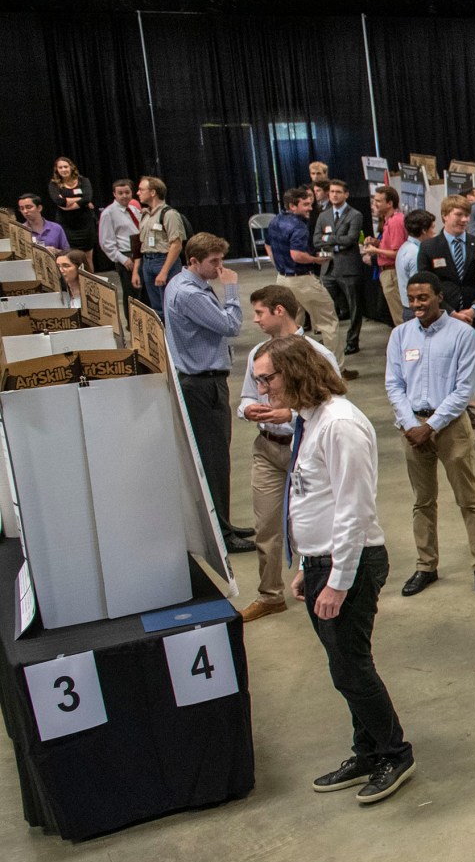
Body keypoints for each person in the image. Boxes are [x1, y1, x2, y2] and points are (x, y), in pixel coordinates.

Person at [261, 335, 415, 804]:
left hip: (348, 563)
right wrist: (307, 562)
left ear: (296, 372)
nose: (263, 388)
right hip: (321, 561)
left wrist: (337, 580)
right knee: (341, 664)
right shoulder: (311, 420)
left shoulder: (341, 426)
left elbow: (353, 510)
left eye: (269, 378)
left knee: (351, 667)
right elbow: (313, 497)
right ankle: (366, 750)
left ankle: (395, 752)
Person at [385, 276, 475, 598]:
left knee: (468, 498)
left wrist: (430, 426)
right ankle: (426, 565)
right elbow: (394, 384)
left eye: (423, 298)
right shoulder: (400, 335)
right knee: (422, 501)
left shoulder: (462, 334)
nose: (417, 304)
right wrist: (410, 424)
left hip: (449, 427)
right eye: (412, 298)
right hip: (411, 428)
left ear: (439, 297)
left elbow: (464, 389)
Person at [237, 286, 340, 623]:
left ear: (280, 311)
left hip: (303, 450)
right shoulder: (259, 354)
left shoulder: (318, 354)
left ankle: (318, 582)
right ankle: (269, 595)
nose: (254, 320)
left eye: (259, 313)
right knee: (266, 524)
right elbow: (245, 397)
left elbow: (333, 404)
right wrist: (249, 410)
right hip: (266, 448)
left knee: (309, 521)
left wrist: (290, 415)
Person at [161, 233, 255, 551]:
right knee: (214, 460)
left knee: (215, 459)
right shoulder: (190, 294)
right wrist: (231, 289)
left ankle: (224, 525)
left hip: (199, 378)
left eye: (221, 260)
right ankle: (222, 535)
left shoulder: (182, 284)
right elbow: (230, 326)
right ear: (193, 262)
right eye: (213, 262)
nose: (220, 267)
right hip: (203, 383)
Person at [414, 196, 475, 450]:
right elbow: (425, 285)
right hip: (445, 322)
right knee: (447, 375)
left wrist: (473, 310)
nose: (464, 220)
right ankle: (447, 425)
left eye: (466, 215)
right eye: (458, 215)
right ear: (444, 216)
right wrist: (451, 312)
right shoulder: (430, 248)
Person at [268, 187, 346, 363]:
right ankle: (336, 367)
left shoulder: (275, 221)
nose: (310, 208)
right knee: (328, 322)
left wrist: (280, 264)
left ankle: (290, 363)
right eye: (305, 205)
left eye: (310, 204)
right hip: (302, 280)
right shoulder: (299, 226)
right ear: (292, 206)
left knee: (290, 323)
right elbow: (297, 255)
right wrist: (315, 260)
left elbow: (268, 246)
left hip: (282, 279)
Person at [314, 180, 369, 356]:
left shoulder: (355, 215)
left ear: (346, 194)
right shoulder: (323, 216)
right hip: (328, 269)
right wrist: (338, 241)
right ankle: (330, 339)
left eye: (338, 191)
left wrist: (329, 240)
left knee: (354, 307)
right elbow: (316, 241)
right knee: (327, 307)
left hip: (349, 268)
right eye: (331, 192)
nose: (334, 195)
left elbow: (351, 239)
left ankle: (353, 340)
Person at [135, 175, 187, 312]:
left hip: (164, 260)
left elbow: (176, 245)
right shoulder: (146, 215)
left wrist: (164, 271)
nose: (138, 193)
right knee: (156, 307)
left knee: (170, 305)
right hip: (148, 261)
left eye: (141, 189)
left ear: (153, 192)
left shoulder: (169, 214)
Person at [364, 185, 408, 325]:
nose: (374, 204)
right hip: (388, 273)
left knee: (400, 318)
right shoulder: (389, 221)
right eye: (374, 200)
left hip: (392, 274)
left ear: (389, 203)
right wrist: (377, 242)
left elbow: (398, 253)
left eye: (378, 201)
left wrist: (375, 251)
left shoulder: (395, 222)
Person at [97, 177, 142, 303]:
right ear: (114, 194)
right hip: (126, 256)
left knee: (141, 293)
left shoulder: (134, 209)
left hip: (140, 253)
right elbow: (105, 242)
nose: (124, 196)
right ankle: (130, 321)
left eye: (127, 192)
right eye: (120, 193)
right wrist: (123, 259)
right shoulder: (108, 213)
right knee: (131, 294)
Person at [47, 158, 96, 253]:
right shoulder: (53, 184)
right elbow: (59, 201)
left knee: (88, 257)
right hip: (66, 225)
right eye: (60, 167)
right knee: (70, 255)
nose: (63, 169)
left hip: (85, 224)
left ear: (71, 167)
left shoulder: (83, 181)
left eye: (66, 166)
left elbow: (87, 198)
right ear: (57, 169)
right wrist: (79, 198)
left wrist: (67, 204)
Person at [394, 208, 433, 305]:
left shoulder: (405, 247)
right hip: (417, 307)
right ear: (424, 230)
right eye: (432, 228)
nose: (434, 232)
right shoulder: (416, 253)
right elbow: (419, 285)